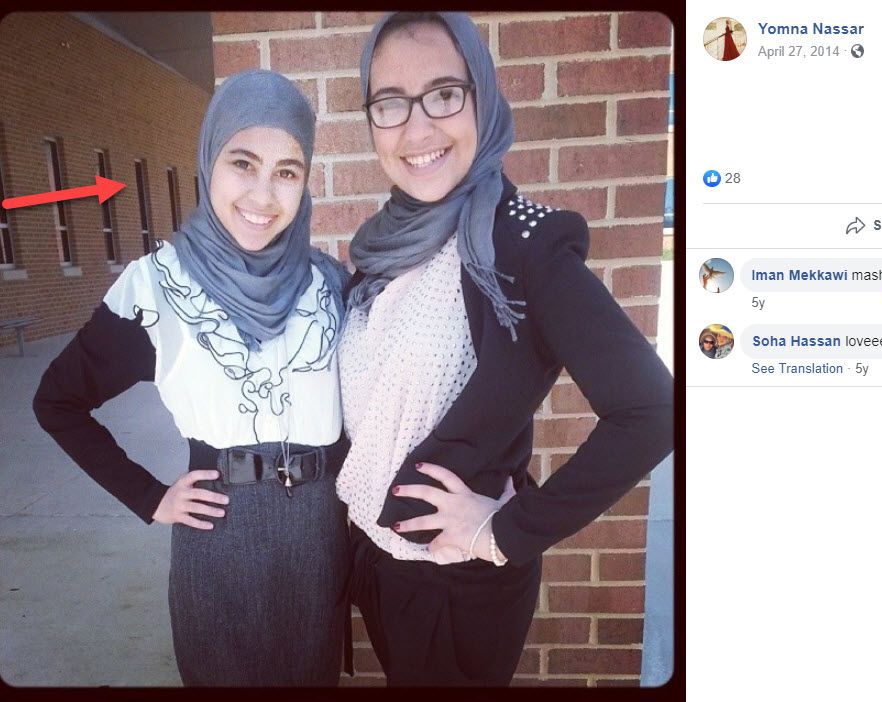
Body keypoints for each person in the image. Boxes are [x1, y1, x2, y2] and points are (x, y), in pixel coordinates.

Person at [335, 12, 674, 687]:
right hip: (376, 561)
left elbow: (653, 410)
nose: (417, 128)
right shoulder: (381, 246)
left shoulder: (522, 246)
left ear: (482, 98)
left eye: (444, 94)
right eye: (390, 103)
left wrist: (507, 530)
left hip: (455, 582)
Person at [32, 70, 351, 686]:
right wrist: (148, 497)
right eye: (243, 162)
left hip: (316, 541)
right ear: (209, 161)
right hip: (219, 538)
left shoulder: (328, 284)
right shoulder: (157, 287)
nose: (263, 194)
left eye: (287, 171)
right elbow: (58, 401)